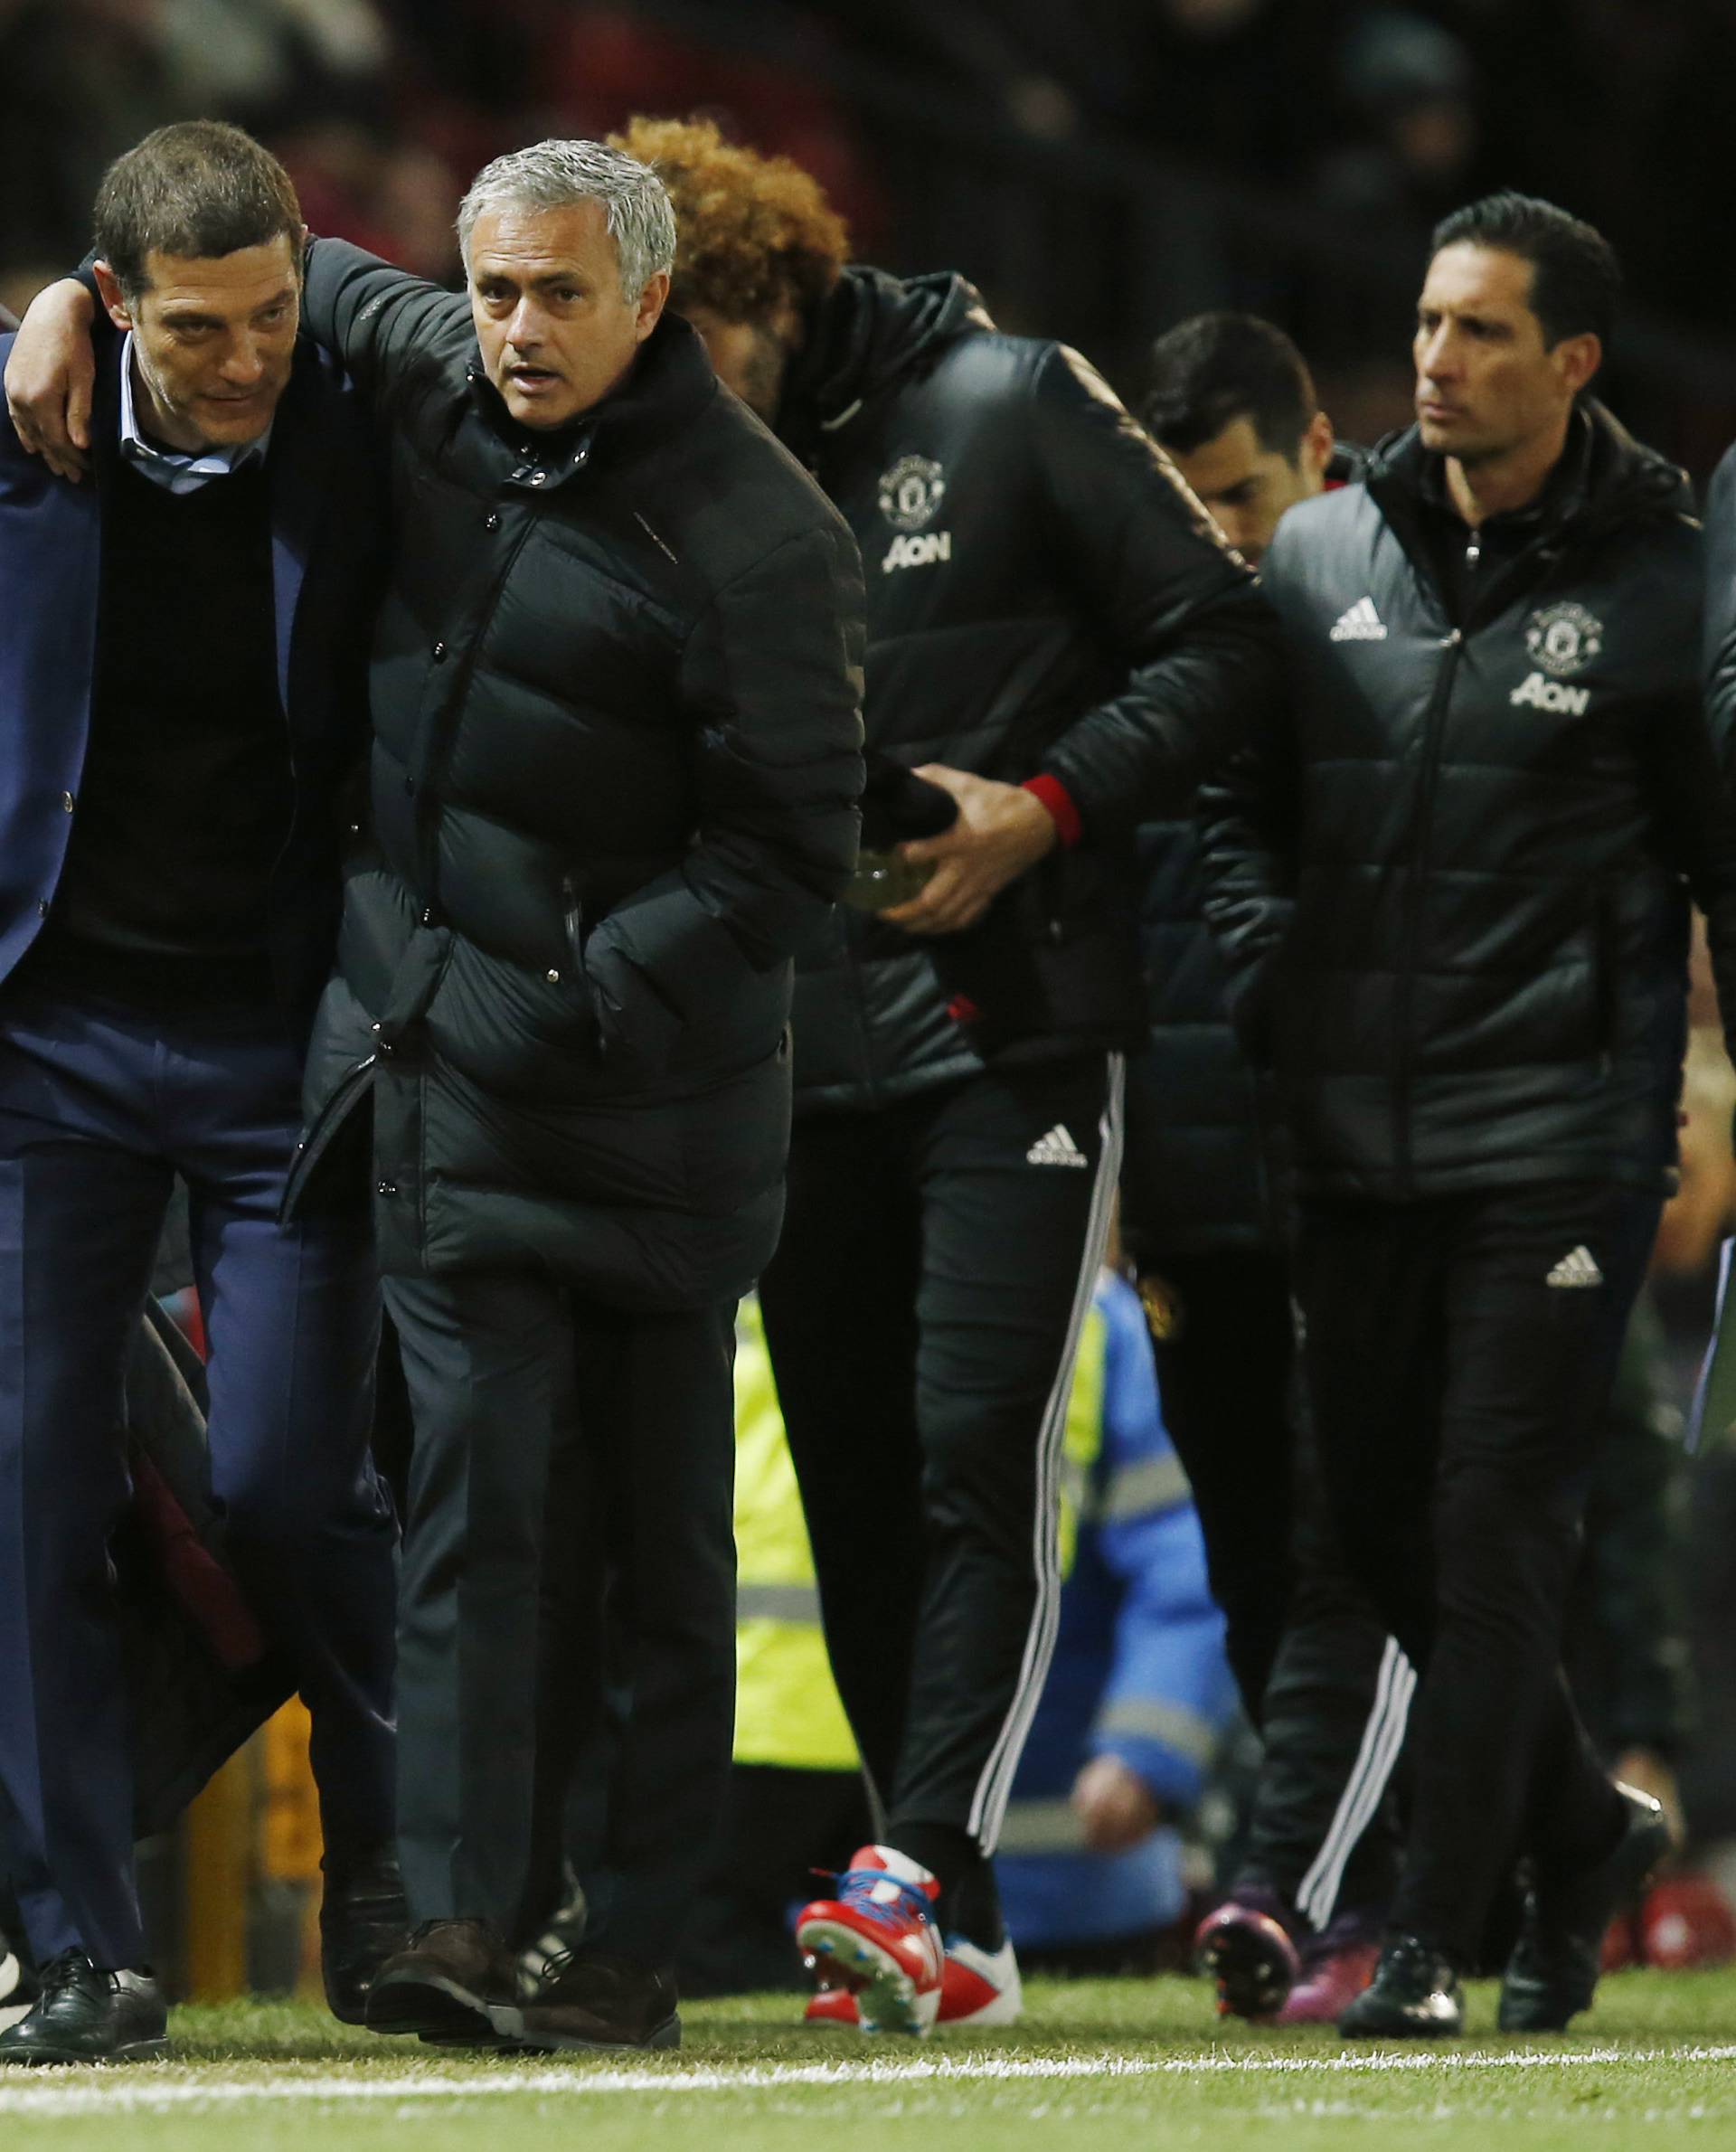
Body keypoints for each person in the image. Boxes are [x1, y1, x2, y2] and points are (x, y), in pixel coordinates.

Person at [610, 115, 1279, 2034]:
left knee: (978, 1440)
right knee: (853, 1474)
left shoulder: (1008, 399)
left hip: (1021, 1027)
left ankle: (909, 1862)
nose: (664, 383)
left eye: (683, 338)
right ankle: (955, 1910)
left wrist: (1045, 812)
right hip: (798, 1043)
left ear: (754, 292)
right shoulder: (680, 478)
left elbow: (1225, 646)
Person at [265, 139, 856, 2053]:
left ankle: (629, 1940)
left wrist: (587, 985)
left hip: (664, 1108)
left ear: (650, 303)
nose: (515, 331)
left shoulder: (764, 540)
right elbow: (292, 252)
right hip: (452, 1077)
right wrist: (49, 304)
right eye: (496, 291)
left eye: (558, 297)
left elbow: (786, 857)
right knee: (475, 1505)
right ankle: (455, 1915)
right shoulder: (433, 360)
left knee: (665, 1541)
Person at [1200, 190, 1736, 2037]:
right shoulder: (1323, 552)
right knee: (1373, 1526)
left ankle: (1431, 1931)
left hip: (1564, 1137)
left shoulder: (1671, 586)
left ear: (1574, 363)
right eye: (1428, 323)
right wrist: (1276, 966)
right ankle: (1583, 1830)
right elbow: (1235, 814)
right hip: (1349, 1127)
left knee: (1490, 1525)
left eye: (1482, 329)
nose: (1437, 356)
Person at [0, 120, 400, 2064]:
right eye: (193, 328)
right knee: (23, 1483)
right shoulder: (26, 433)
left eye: (269, 314)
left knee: (284, 1484)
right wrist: (27, 327)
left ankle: (410, 1885)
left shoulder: (357, 409)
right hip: (45, 1039)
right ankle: (77, 1940)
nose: (242, 359)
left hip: (276, 1041)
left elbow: (469, 304)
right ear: (109, 304)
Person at [1135, 313, 1404, 2024]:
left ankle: (1323, 1890)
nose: (1217, 535)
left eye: (1236, 494)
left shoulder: (1393, 614)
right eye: (1188, 503)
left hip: (1361, 1157)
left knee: (1349, 1549)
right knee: (1252, 1554)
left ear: (1315, 457)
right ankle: (1552, 1833)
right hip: (1188, 1179)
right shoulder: (1142, 621)